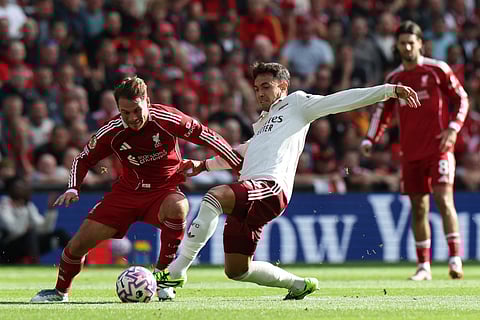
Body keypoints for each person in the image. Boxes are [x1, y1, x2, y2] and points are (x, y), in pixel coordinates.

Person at [156, 62, 420, 300]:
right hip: (250, 191)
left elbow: (341, 100)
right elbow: (242, 153)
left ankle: (176, 271)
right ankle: (298, 284)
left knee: (215, 196)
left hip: (270, 187)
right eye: (257, 87)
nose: (260, 93)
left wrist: (389, 90)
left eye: (266, 86)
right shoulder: (262, 123)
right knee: (237, 270)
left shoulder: (297, 104)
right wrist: (203, 165)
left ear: (283, 85)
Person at [30, 76, 243, 303]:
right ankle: (60, 292)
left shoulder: (167, 118)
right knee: (79, 244)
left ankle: (162, 280)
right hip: (126, 193)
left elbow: (206, 135)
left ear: (147, 102)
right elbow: (83, 159)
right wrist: (73, 188)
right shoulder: (112, 131)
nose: (132, 118)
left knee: (180, 206)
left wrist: (236, 165)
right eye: (125, 112)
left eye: (136, 110)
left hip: (164, 190)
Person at [360, 21, 469, 281]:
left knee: (444, 201)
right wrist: (370, 139)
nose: (407, 47)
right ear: (397, 47)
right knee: (418, 208)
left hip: (439, 148)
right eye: (402, 43)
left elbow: (462, 98)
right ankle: (424, 267)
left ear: (420, 43)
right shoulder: (394, 79)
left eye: (411, 42)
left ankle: (455, 260)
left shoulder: (437, 70)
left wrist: (453, 129)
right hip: (410, 153)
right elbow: (382, 112)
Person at [0, 177, 70, 264]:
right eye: (18, 187)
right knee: (31, 235)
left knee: (60, 234)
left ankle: (80, 262)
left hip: (29, 243)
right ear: (11, 189)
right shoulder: (4, 204)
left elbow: (44, 229)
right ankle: (36, 264)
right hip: (8, 248)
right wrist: (25, 223)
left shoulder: (28, 205)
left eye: (23, 187)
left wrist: (50, 209)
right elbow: (13, 229)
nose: (21, 189)